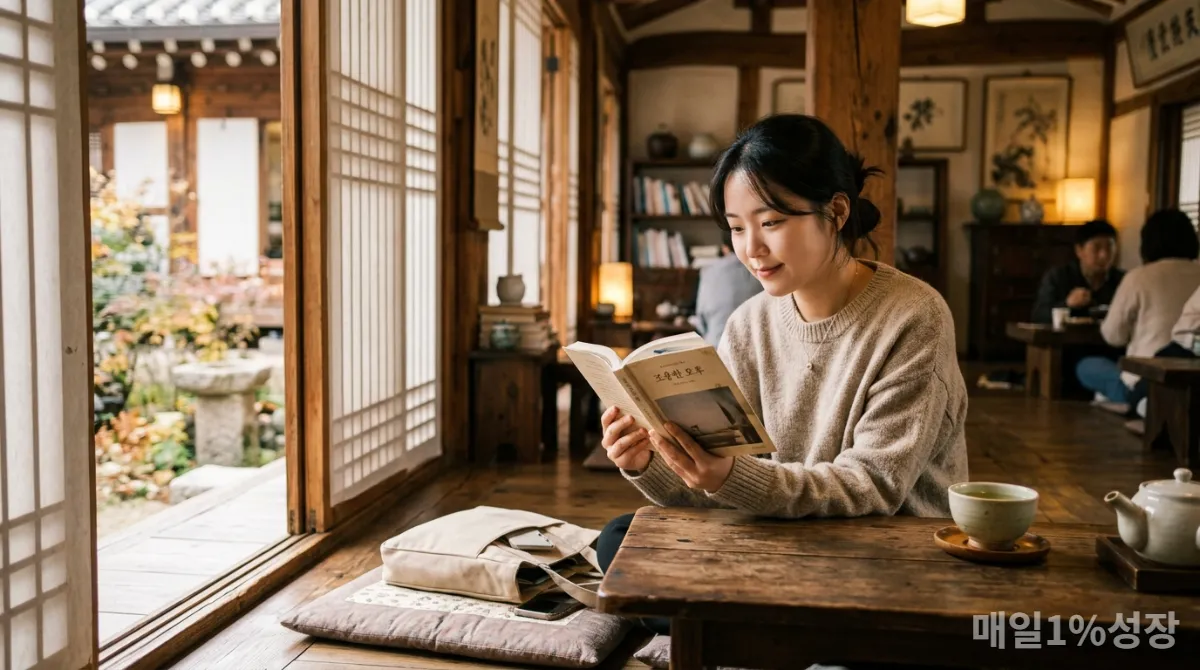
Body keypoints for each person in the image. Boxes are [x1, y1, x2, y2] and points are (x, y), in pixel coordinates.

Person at [596, 114, 969, 583]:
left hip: (885, 553)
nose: (752, 248)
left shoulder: (915, 317)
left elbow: (872, 487)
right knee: (619, 540)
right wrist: (648, 463)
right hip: (784, 534)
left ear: (836, 212)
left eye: (771, 221)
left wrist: (732, 479)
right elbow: (724, 484)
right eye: (735, 228)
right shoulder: (749, 324)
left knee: (654, 579)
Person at [1077, 209, 1200, 405]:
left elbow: (1113, 336)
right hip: (1193, 378)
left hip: (1145, 380)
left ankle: (1135, 402)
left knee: (1086, 366)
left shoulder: (1138, 277)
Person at [1031, 219, 1124, 324]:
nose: (1104, 255)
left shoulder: (1124, 280)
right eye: (1096, 248)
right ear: (1079, 250)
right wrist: (1067, 304)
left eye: (1109, 248)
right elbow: (1038, 316)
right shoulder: (1058, 277)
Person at [692, 228, 763, 347]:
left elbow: (701, 321)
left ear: (725, 248)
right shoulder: (764, 269)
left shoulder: (709, 272)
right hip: (756, 349)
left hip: (715, 350)